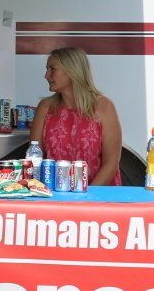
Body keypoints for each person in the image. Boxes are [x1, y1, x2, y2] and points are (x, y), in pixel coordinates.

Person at [29, 46, 122, 187]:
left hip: (99, 197)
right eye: (47, 69)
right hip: (55, 196)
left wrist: (87, 196)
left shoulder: (104, 107)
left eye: (52, 69)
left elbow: (111, 162)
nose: (46, 75)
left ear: (72, 70)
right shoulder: (45, 107)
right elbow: (35, 160)